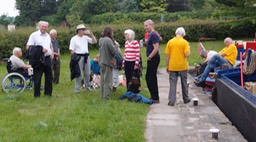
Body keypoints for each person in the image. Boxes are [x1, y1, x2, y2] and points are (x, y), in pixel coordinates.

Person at [165, 27, 191, 106]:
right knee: (184, 82)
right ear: (183, 34)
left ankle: (172, 100)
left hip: (172, 66)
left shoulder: (170, 42)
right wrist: (189, 49)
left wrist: (167, 65)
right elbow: (187, 54)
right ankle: (186, 99)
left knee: (172, 83)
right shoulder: (185, 42)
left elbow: (167, 55)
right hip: (182, 66)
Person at [27, 21, 53, 97]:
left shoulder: (48, 36)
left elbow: (50, 45)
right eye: (42, 26)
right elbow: (29, 47)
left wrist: (51, 52)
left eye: (45, 27)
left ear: (47, 28)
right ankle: (37, 95)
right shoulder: (34, 35)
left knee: (49, 77)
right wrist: (40, 49)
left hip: (47, 58)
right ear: (39, 26)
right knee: (37, 77)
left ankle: (48, 94)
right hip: (38, 59)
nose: (44, 28)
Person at [69, 24, 97, 93]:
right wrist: (75, 57)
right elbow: (71, 49)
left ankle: (87, 87)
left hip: (86, 56)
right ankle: (77, 89)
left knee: (87, 73)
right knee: (78, 73)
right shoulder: (74, 38)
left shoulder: (85, 38)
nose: (84, 31)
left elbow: (94, 41)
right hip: (78, 57)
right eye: (82, 29)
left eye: (84, 29)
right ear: (78, 31)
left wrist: (91, 34)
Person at [99, 26, 119, 100]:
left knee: (102, 80)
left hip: (101, 61)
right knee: (108, 80)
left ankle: (102, 95)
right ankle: (106, 97)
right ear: (110, 32)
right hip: (107, 62)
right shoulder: (108, 40)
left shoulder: (101, 40)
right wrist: (116, 46)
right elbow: (113, 52)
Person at [144, 19, 160, 103]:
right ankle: (153, 96)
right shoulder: (151, 34)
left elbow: (156, 48)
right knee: (148, 77)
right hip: (152, 58)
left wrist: (150, 56)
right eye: (144, 26)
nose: (145, 27)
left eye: (146, 25)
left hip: (153, 58)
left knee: (151, 77)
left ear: (151, 25)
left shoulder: (153, 34)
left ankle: (155, 97)